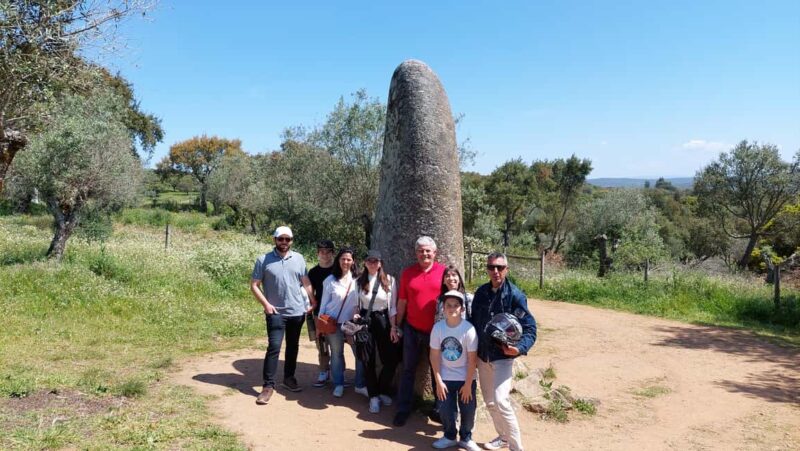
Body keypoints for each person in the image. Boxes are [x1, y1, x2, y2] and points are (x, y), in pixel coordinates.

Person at [469, 252, 537, 451]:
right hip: (483, 356)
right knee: (490, 402)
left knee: (502, 401)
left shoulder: (515, 295)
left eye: (500, 267)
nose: (495, 271)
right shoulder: (481, 293)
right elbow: (474, 324)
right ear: (487, 269)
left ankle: (516, 448)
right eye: (491, 267)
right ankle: (503, 437)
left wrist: (519, 348)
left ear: (507, 269)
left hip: (502, 358)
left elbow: (530, 328)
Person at [250, 226, 316, 405]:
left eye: (288, 239)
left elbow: (305, 280)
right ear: (275, 240)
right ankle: (268, 386)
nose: (284, 242)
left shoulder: (299, 258)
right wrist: (266, 304)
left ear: (291, 241)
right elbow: (254, 285)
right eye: (281, 239)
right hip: (275, 312)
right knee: (274, 347)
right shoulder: (263, 260)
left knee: (293, 346)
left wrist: (312, 300)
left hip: (297, 311)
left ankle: (289, 378)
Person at [393, 236, 446, 427]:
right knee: (408, 370)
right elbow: (402, 302)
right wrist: (397, 325)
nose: (424, 254)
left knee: (437, 371)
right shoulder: (408, 273)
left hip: (437, 332)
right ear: (415, 253)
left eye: (428, 251)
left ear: (435, 253)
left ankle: (440, 409)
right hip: (412, 329)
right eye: (420, 251)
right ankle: (403, 409)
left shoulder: (444, 273)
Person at [429, 290, 480, 451]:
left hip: (466, 377)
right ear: (443, 308)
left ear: (462, 309)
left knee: (468, 409)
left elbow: (472, 360)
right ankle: (450, 435)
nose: (452, 309)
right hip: (445, 376)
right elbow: (434, 356)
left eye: (456, 305)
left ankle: (466, 437)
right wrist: (438, 381)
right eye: (448, 305)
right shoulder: (438, 328)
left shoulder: (469, 330)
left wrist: (467, 384)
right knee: (445, 408)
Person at [354, 250, 400, 413]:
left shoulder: (390, 281)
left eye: (375, 261)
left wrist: (393, 328)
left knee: (391, 359)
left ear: (380, 263)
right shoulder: (359, 281)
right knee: (368, 359)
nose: (372, 264)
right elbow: (356, 305)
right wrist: (356, 315)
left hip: (383, 320)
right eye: (369, 261)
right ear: (365, 263)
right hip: (366, 321)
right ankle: (373, 395)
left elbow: (393, 307)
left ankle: (382, 390)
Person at [317, 247, 359, 398]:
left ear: (353, 261)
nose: (346, 262)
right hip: (333, 323)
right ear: (338, 261)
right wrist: (320, 324)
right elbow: (323, 304)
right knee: (336, 354)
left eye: (349, 259)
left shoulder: (358, 280)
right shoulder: (330, 280)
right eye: (343, 259)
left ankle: (360, 383)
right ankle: (339, 383)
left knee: (358, 353)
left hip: (351, 324)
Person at [308, 239, 335, 387]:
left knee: (338, 345)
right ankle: (324, 371)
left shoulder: (339, 269)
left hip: (337, 312)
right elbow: (309, 292)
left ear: (333, 253)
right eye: (322, 252)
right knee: (322, 344)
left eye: (328, 251)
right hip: (320, 313)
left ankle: (338, 372)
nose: (325, 255)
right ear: (318, 253)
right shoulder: (313, 272)